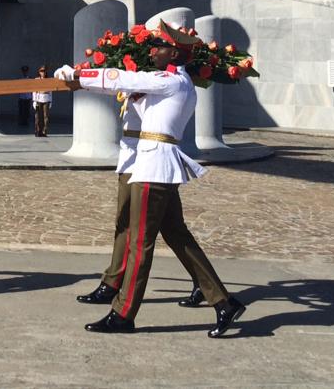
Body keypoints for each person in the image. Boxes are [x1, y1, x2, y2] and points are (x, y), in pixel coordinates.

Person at [56, 23, 246, 338]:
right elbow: (131, 90)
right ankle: (224, 302)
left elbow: (125, 78)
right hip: (156, 166)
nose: (153, 49)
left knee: (140, 244)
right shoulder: (176, 83)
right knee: (178, 237)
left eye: (159, 45)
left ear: (175, 52)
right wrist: (83, 82)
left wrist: (77, 76)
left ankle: (123, 313)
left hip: (153, 169)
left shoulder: (170, 80)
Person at [33, 65, 53, 137]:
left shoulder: (48, 80)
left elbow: (51, 91)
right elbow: (34, 91)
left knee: (45, 117)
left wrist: (50, 101)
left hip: (46, 99)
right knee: (38, 116)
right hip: (38, 98)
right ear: (39, 72)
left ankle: (44, 131)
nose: (43, 72)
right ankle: (38, 131)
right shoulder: (36, 80)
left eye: (44, 71)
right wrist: (34, 100)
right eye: (41, 71)